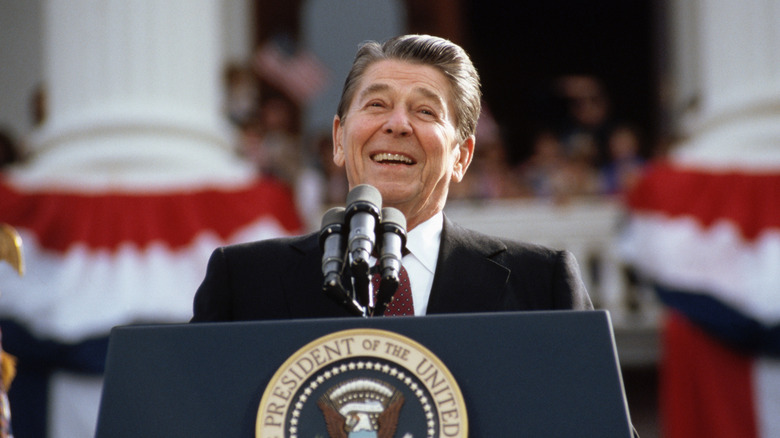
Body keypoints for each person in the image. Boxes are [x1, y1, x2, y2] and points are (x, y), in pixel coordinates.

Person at [191, 34, 593, 322]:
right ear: (338, 139)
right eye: (377, 103)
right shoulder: (244, 283)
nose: (397, 124)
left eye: (424, 111)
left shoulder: (542, 285)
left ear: (462, 156)